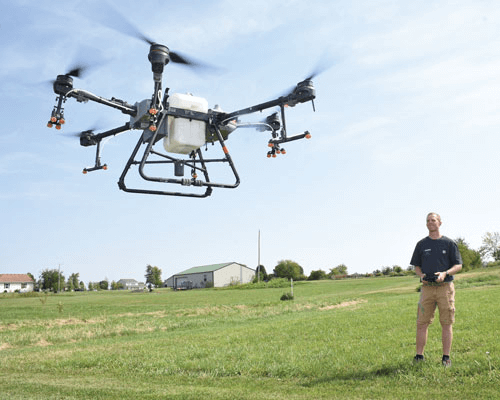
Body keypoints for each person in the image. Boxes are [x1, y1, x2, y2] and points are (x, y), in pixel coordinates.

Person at [410, 212, 462, 367]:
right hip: (427, 289)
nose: (430, 223)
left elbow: (458, 265)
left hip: (445, 288)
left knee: (446, 323)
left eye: (433, 220)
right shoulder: (421, 244)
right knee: (421, 323)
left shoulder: (449, 243)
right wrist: (422, 276)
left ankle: (446, 357)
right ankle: (419, 356)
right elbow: (416, 266)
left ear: (440, 223)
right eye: (428, 221)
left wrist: (445, 273)